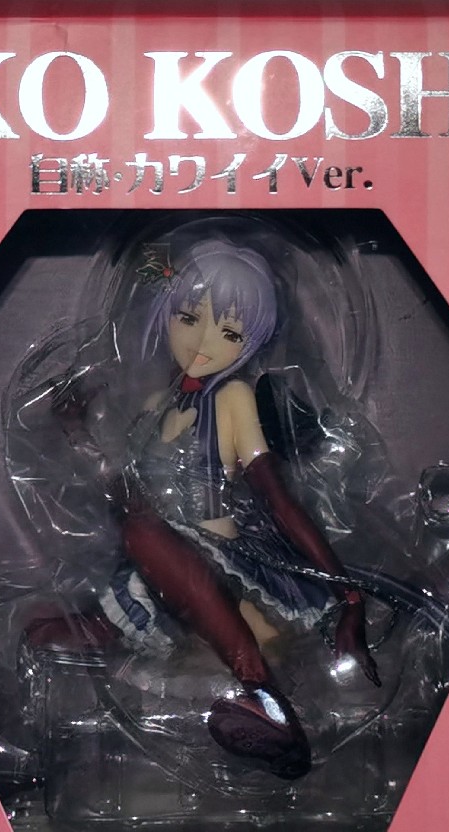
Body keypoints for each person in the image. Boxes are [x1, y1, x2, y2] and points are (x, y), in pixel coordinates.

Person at [26, 238, 378, 780]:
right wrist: (76, 432)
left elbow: (277, 498)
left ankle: (263, 694)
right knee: (44, 635)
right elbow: (127, 497)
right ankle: (117, 643)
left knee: (143, 534)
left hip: (228, 569)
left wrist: (348, 595)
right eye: (189, 318)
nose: (203, 341)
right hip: (160, 566)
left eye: (230, 333)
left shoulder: (232, 398)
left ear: (252, 343)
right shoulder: (157, 406)